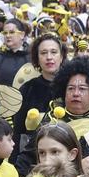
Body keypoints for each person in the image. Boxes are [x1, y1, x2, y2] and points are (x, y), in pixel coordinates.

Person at [13, 33, 67, 164]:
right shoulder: (27, 89)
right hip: (33, 159)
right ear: (37, 58)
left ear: (61, 57)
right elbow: (18, 131)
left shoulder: (71, 87)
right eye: (43, 53)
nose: (49, 57)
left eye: (54, 52)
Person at [0, 19, 29, 87]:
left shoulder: (32, 57)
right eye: (5, 33)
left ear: (22, 34)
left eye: (12, 32)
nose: (7, 36)